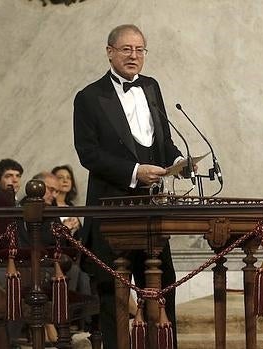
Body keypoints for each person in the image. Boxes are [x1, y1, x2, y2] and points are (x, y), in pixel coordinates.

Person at [73, 24, 190, 348]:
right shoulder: (89, 97)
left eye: (140, 50)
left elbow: (161, 140)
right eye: (126, 49)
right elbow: (89, 154)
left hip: (152, 211)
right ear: (110, 51)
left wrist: (179, 161)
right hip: (112, 209)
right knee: (114, 294)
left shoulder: (152, 86)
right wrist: (135, 171)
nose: (134, 56)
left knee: (163, 286)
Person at [51, 165, 81, 234]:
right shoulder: (49, 205)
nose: (65, 180)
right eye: (60, 178)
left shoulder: (71, 206)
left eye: (68, 178)